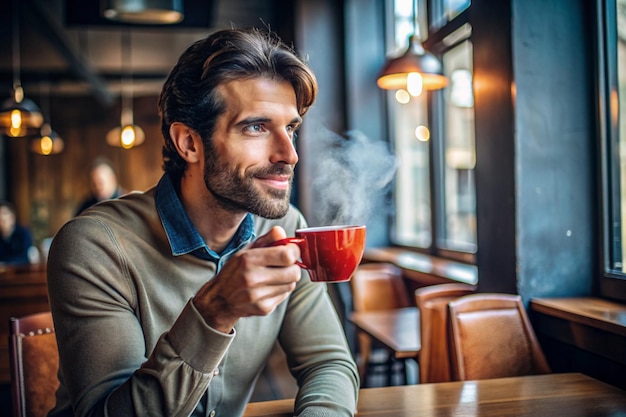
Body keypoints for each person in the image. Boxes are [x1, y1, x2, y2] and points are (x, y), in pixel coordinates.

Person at [47, 28, 359, 417]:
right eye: (256, 127)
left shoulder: (287, 229)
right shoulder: (95, 246)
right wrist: (215, 311)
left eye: (291, 128)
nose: (289, 154)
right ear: (189, 143)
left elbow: (329, 364)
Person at [0, 200, 34, 266]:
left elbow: (24, 257)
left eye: (4, 214)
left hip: (21, 272)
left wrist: (5, 264)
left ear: (12, 218)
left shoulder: (24, 234)